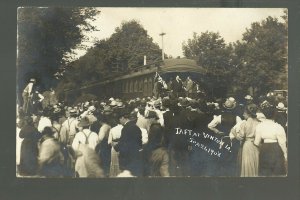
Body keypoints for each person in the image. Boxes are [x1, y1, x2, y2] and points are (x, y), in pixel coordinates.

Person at [208, 97, 242, 176]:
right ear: (233, 107)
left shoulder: (219, 117)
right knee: (232, 157)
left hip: (221, 139)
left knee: (221, 156)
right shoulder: (237, 118)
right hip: (232, 141)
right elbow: (240, 128)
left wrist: (217, 131)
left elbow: (209, 125)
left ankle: (221, 173)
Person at [254, 101, 287, 176]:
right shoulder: (278, 127)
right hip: (276, 149)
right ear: (274, 115)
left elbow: (256, 142)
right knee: (276, 174)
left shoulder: (260, 126)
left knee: (265, 173)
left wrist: (262, 147)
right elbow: (282, 142)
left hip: (264, 149)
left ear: (265, 115)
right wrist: (285, 154)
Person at [233, 104, 260, 177]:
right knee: (255, 164)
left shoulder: (244, 123)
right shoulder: (259, 123)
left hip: (247, 146)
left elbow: (240, 137)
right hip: (257, 146)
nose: (243, 114)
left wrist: (233, 132)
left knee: (247, 165)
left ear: (248, 114)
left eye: (244, 113)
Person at [114, 108, 143, 177]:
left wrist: (115, 146)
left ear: (123, 118)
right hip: (135, 155)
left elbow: (123, 143)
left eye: (119, 119)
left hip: (127, 157)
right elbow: (139, 141)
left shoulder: (126, 128)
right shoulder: (136, 127)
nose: (119, 121)